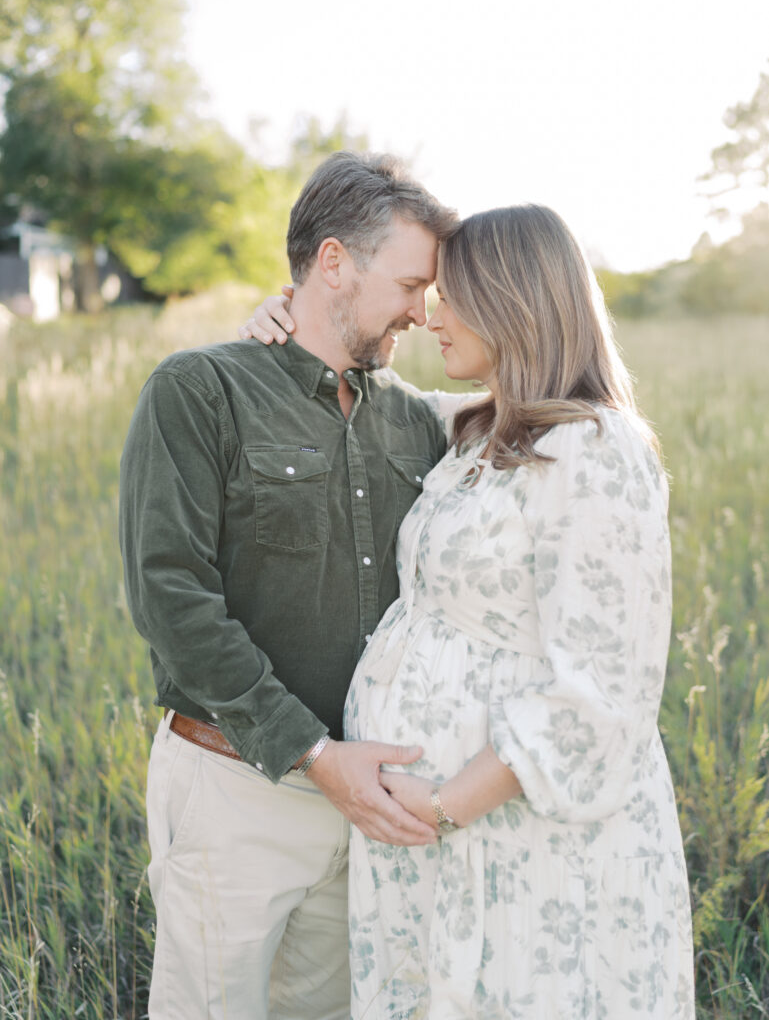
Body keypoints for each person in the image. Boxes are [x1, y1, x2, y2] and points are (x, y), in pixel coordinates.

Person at [248, 204, 695, 1019]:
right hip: (436, 846)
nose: (428, 314)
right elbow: (379, 399)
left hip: (521, 843)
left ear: (514, 301)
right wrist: (295, 320)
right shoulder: (478, 430)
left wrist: (442, 805)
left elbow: (600, 696)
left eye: (451, 296)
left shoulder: (597, 452)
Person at [118, 151, 458, 1019]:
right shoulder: (199, 391)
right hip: (235, 794)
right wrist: (311, 753)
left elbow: (537, 398)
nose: (423, 312)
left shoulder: (416, 420)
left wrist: (348, 775)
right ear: (333, 262)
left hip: (365, 812)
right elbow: (171, 597)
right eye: (411, 284)